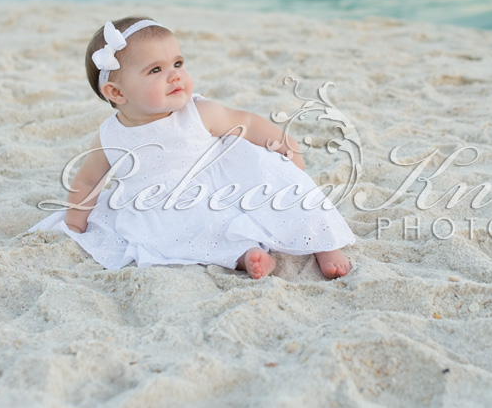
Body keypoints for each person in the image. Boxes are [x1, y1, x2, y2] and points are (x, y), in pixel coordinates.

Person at [27, 17, 356, 279]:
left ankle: (325, 245)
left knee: (288, 187)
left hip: (233, 178)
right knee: (190, 232)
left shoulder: (198, 113)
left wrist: (283, 144)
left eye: (178, 63)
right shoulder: (110, 137)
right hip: (172, 202)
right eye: (156, 70)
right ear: (116, 92)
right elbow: (88, 181)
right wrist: (75, 222)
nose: (175, 76)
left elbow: (247, 122)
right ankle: (245, 257)